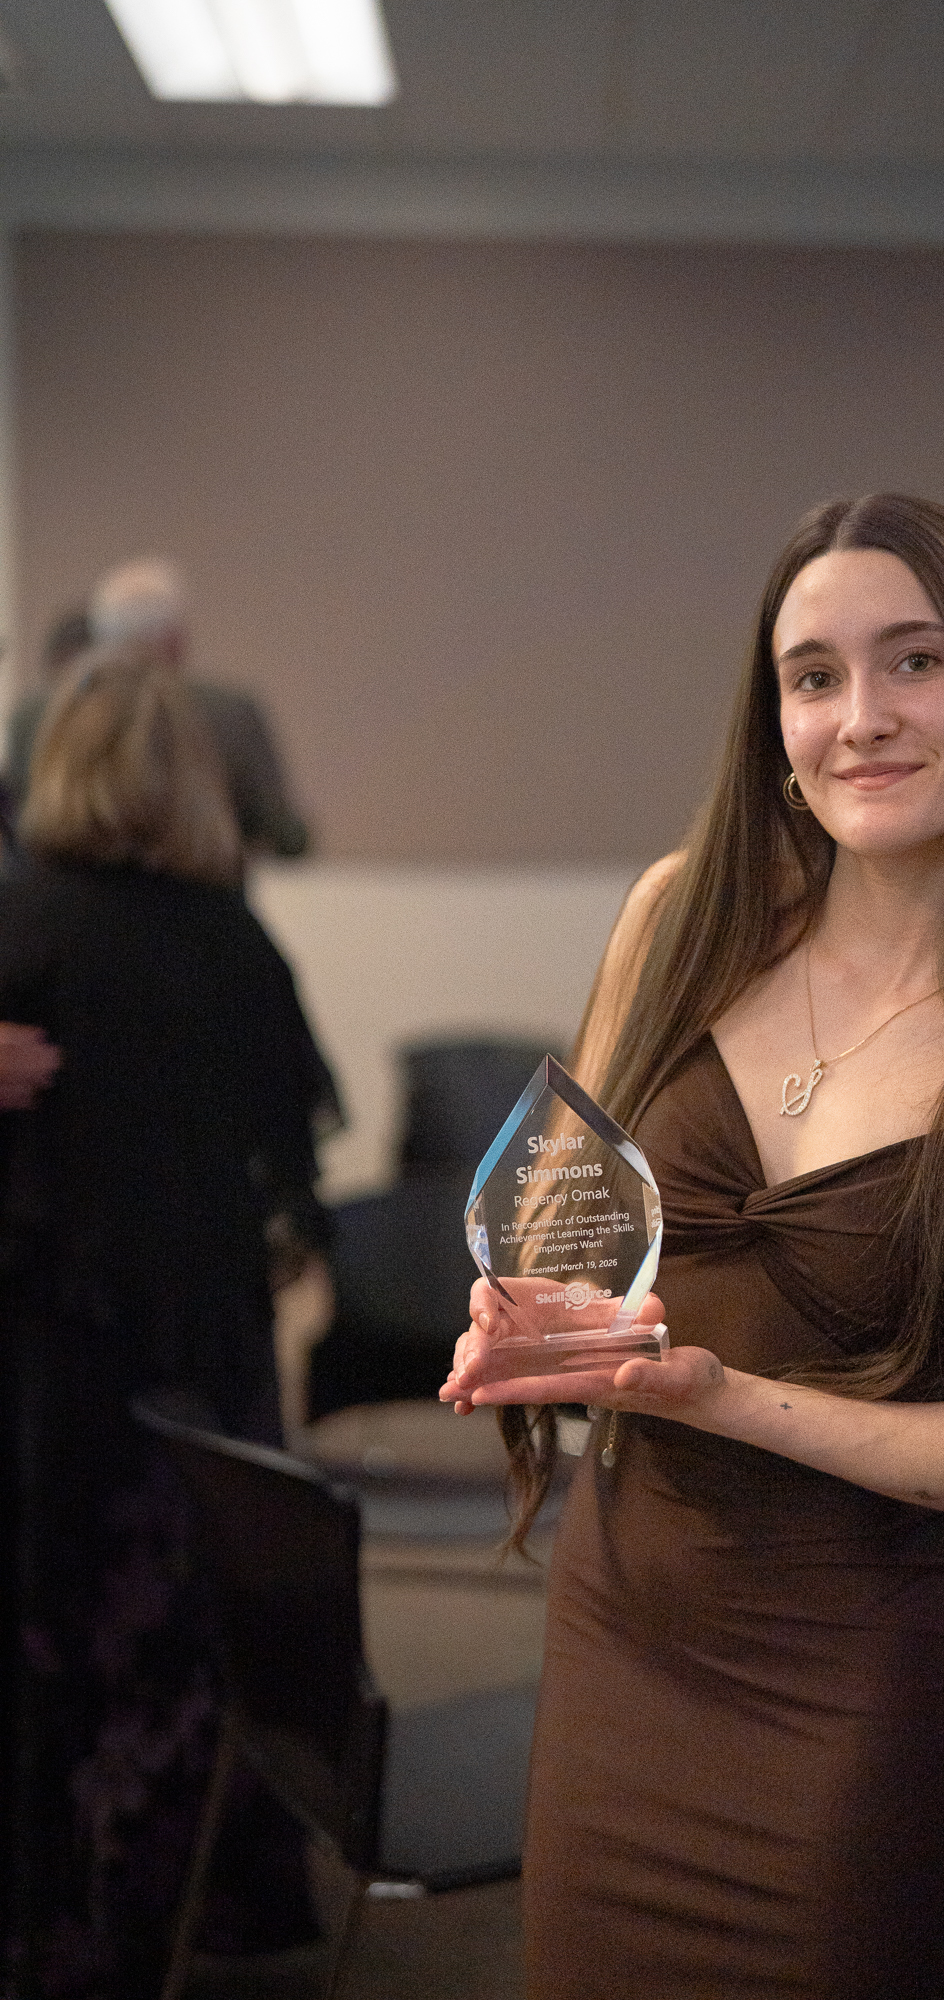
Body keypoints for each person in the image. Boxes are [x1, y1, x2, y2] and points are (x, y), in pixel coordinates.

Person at [443, 494, 944, 2000]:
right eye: (814, 676)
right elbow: (568, 1241)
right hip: (621, 1637)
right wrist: (530, 1322)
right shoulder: (677, 920)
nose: (860, 718)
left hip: (848, 1702)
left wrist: (725, 1396)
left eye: (914, 662)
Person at [0, 651, 336, 1996]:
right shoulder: (237, 940)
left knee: (50, 1622)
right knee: (202, 1619)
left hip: (49, 1359)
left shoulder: (16, 925)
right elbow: (286, 1154)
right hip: (204, 1354)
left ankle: (56, 1918)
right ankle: (209, 1900)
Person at [5, 559, 310, 859]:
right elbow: (285, 835)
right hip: (194, 884)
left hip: (59, 882)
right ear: (176, 640)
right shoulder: (231, 715)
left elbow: (19, 829)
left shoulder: (33, 718)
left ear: (99, 636)